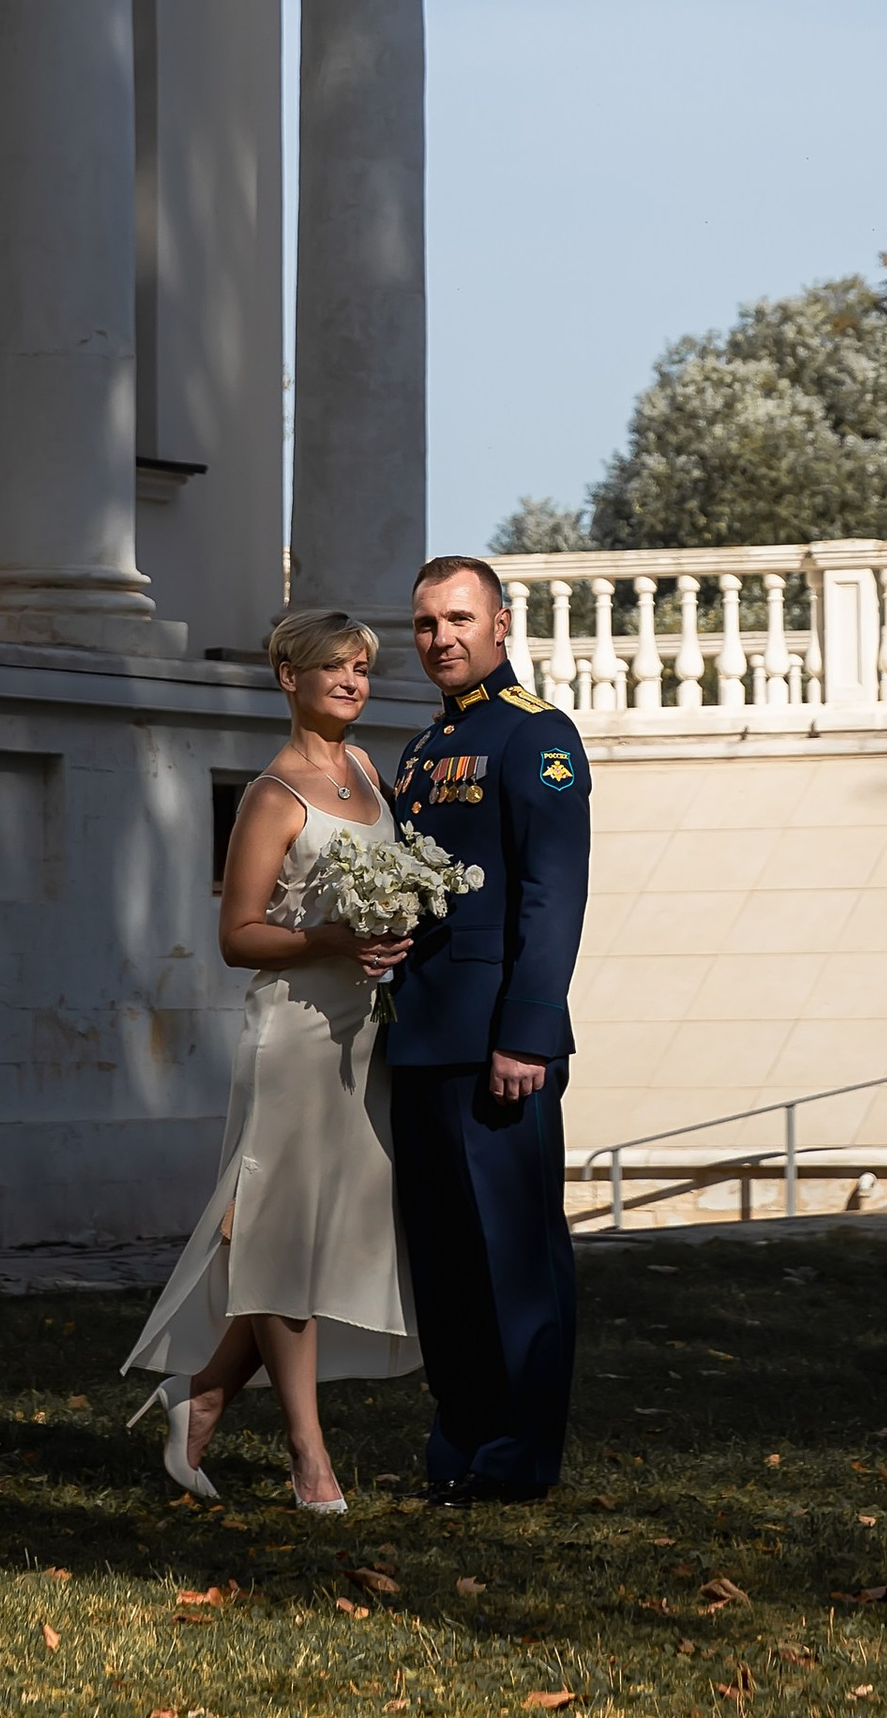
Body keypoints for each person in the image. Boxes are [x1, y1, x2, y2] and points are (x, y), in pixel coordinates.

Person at [122, 608, 421, 1514]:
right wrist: (336, 937)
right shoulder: (272, 794)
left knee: (319, 1234)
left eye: (362, 667)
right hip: (294, 1036)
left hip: (365, 1034)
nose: (353, 681)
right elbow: (237, 936)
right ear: (290, 676)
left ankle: (205, 1392)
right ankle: (308, 1454)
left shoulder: (369, 770)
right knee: (282, 1232)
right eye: (334, 666)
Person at [385, 554, 592, 1505]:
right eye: (427, 623)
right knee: (446, 1260)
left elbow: (553, 892)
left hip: (498, 1045)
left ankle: (519, 1455)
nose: (442, 638)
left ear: (501, 624)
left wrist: (528, 1033)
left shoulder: (536, 734)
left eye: (460, 619)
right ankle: (462, 1442)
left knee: (514, 1256)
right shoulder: (423, 747)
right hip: (422, 1034)